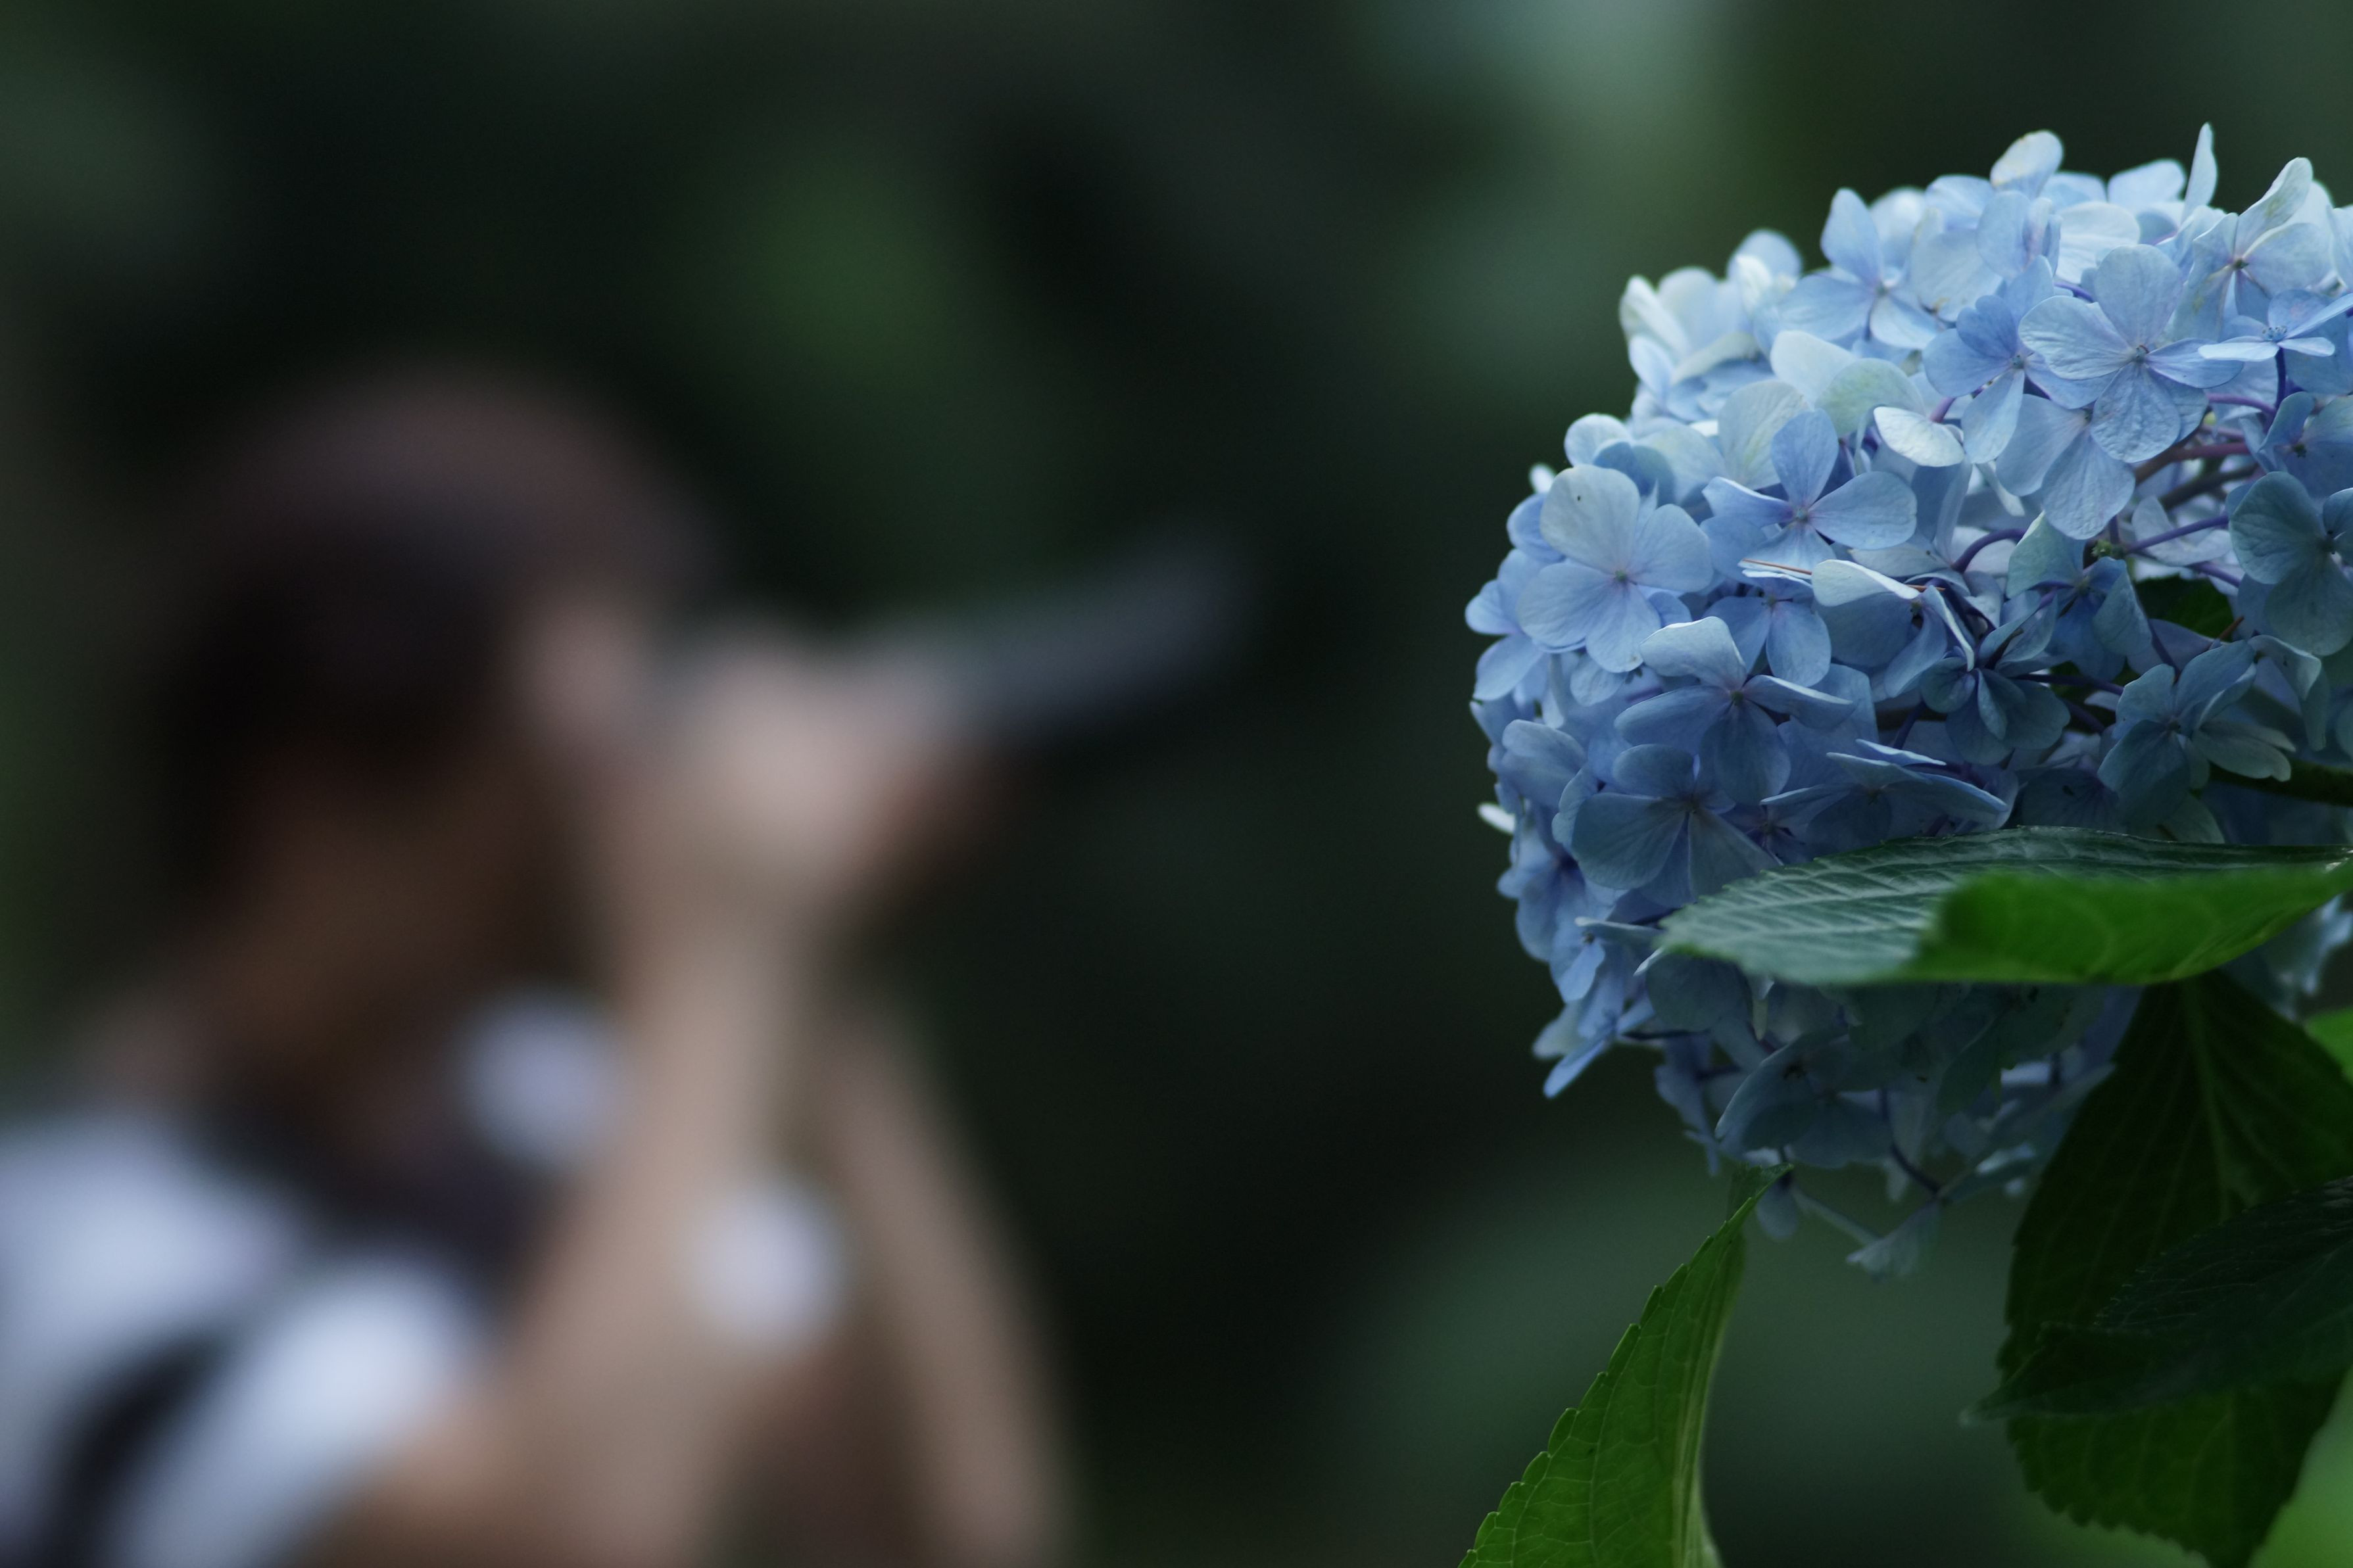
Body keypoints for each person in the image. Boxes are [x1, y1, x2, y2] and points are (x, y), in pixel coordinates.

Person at [0, 372, 1068, 1568]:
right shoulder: (68, 1241)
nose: (606, 829)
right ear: (308, 801)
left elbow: (949, 1530)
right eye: (560, 768)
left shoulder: (548, 1114)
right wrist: (725, 951)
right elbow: (553, 1540)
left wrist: (816, 971)